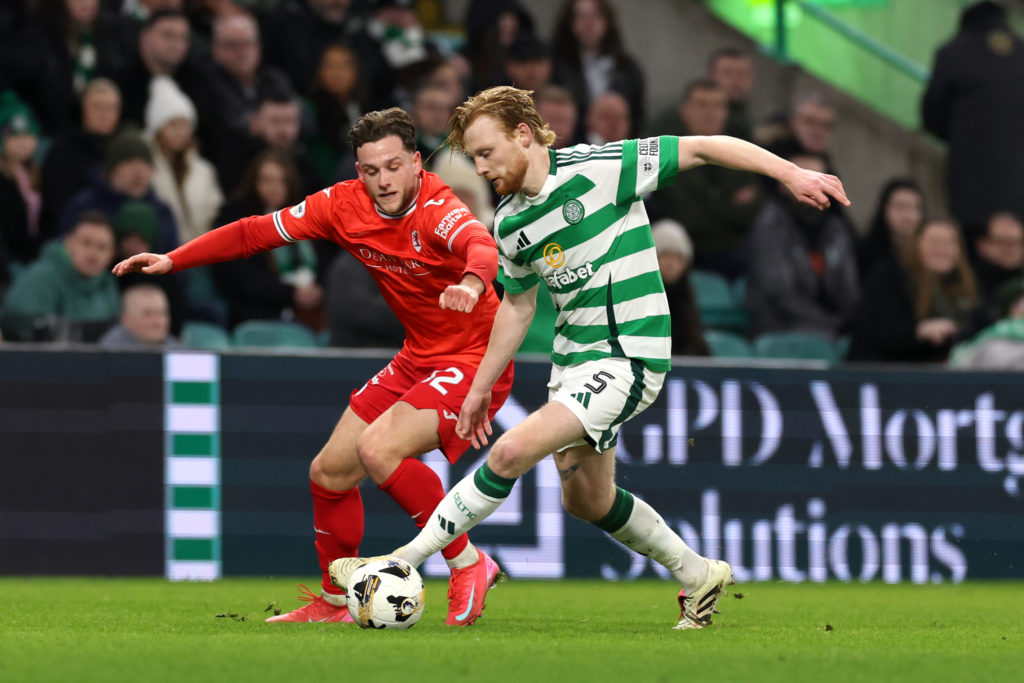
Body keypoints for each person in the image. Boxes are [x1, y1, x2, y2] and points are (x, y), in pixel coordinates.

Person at [328, 85, 849, 630]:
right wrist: (480, 386)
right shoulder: (510, 223)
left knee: (510, 454)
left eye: (486, 153)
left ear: (523, 135)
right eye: (473, 158)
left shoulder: (604, 167)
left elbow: (704, 146)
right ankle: (699, 575)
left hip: (629, 354)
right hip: (574, 363)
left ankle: (399, 562)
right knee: (588, 501)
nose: (480, 168)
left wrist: (792, 174)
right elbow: (517, 306)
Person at [111, 107, 515, 626]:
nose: (383, 181)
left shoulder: (438, 207)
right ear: (357, 171)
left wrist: (473, 284)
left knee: (378, 450)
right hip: (418, 356)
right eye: (370, 171)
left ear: (416, 162)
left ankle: (467, 563)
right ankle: (335, 602)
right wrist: (175, 258)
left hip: (476, 359)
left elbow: (479, 245)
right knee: (329, 473)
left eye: (393, 166)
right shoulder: (342, 205)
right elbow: (255, 232)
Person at [922, 0, 1024, 237]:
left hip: (970, 194)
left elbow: (932, 115)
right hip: (1020, 195)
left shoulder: (953, 52)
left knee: (972, 260)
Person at [649, 79, 762, 280]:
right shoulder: (669, 156)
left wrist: (712, 206)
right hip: (694, 259)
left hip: (740, 255)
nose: (711, 113)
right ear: (685, 111)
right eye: (702, 105)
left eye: (718, 106)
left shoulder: (740, 152)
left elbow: (755, 207)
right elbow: (686, 217)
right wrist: (730, 207)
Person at [745, 152, 860, 340]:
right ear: (782, 184)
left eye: (818, 178)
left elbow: (850, 291)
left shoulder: (836, 228)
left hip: (832, 325)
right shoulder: (769, 224)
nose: (811, 186)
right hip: (780, 326)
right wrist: (829, 322)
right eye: (803, 177)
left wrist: (851, 320)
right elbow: (778, 292)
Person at [849, 218, 986, 363]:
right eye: (934, 242)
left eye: (950, 242)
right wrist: (919, 331)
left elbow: (981, 326)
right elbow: (875, 332)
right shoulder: (891, 277)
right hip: (885, 369)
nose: (942, 249)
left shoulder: (968, 285)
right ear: (916, 245)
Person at [1, 210, 119, 342]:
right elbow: (20, 325)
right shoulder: (40, 278)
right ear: (69, 243)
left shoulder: (108, 284)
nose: (93, 253)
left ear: (111, 254)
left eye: (102, 247)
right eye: (86, 243)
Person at [145, 76, 223, 244]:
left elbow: (214, 213)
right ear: (158, 128)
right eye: (172, 125)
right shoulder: (147, 170)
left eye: (184, 124)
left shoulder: (204, 171)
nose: (180, 132)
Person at [550, 0, 645, 137]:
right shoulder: (555, 65)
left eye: (596, 15)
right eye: (580, 16)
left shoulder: (627, 68)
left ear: (608, 21)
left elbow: (636, 117)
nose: (588, 23)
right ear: (569, 22)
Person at [41, 78, 123, 234]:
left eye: (110, 108)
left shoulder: (122, 150)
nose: (104, 114)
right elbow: (57, 205)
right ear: (83, 109)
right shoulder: (62, 151)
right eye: (98, 107)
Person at [0, 91, 45, 265]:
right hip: (10, 259)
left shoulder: (34, 172)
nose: (23, 143)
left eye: (28, 135)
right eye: (15, 137)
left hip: (30, 255)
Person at [652, 219, 708, 357]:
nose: (672, 265)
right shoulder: (639, 297)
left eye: (679, 258)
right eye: (665, 256)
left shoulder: (687, 298)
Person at [856, 178, 925, 279]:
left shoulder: (926, 254)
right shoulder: (865, 254)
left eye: (913, 207)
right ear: (884, 210)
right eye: (900, 207)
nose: (907, 216)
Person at [972, 211, 1024, 318]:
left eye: (1016, 242)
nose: (1009, 249)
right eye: (1001, 241)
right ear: (982, 245)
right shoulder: (970, 284)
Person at [98, 282, 180, 348]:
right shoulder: (109, 351)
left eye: (162, 313)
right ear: (125, 319)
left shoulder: (178, 351)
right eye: (148, 314)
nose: (157, 322)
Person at [707, 47, 754, 141]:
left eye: (742, 73)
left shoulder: (745, 114)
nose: (736, 80)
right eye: (728, 73)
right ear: (711, 76)